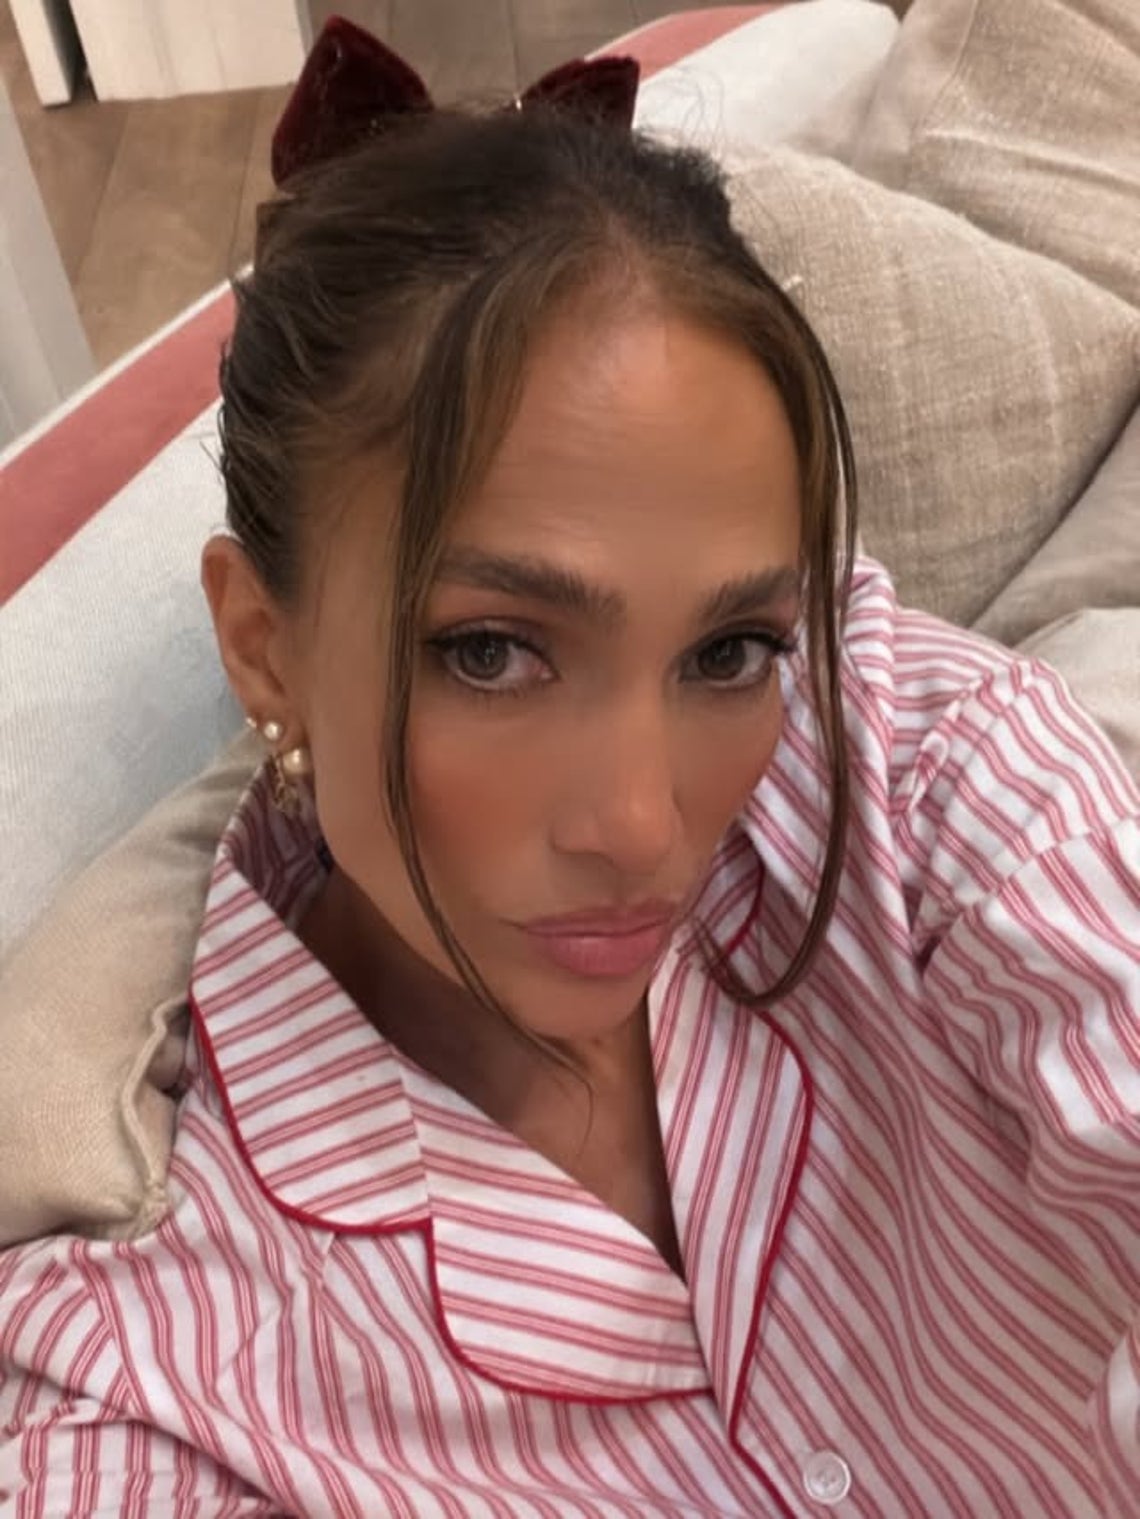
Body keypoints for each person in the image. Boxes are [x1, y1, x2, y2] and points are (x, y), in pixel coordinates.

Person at [1, 26, 1138, 1519]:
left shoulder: (917, 769)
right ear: (263, 649)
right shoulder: (145, 1374)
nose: (644, 827)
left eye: (727, 649)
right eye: (492, 652)